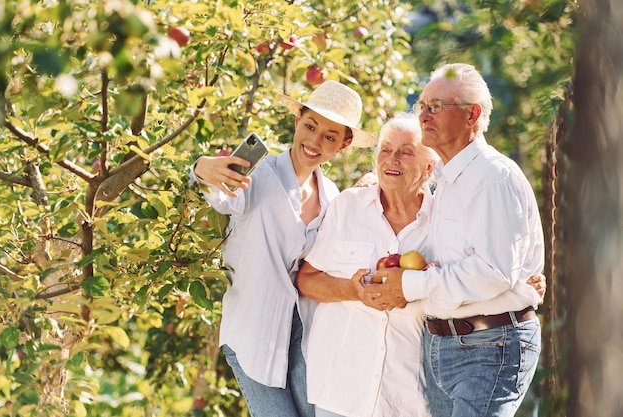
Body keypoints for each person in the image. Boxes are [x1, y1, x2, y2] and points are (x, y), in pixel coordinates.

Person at [190, 80, 376, 417]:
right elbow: (217, 194)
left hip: (303, 337)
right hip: (251, 334)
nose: (315, 141)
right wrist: (200, 169)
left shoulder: (333, 196)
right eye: (310, 126)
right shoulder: (258, 174)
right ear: (297, 120)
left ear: (344, 144)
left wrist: (368, 191)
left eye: (330, 136)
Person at [372, 63, 545, 417]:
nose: (423, 115)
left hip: (488, 345)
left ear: (472, 115)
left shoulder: (492, 177)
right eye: (421, 106)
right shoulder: (449, 180)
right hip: (443, 346)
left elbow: (493, 272)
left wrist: (409, 285)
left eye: (436, 106)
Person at [297, 114, 438, 417]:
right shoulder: (348, 206)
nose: (392, 159)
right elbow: (307, 280)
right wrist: (351, 290)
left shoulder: (443, 221)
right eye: (385, 150)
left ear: (428, 168)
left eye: (406, 151)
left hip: (408, 397)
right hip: (341, 389)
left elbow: (465, 278)